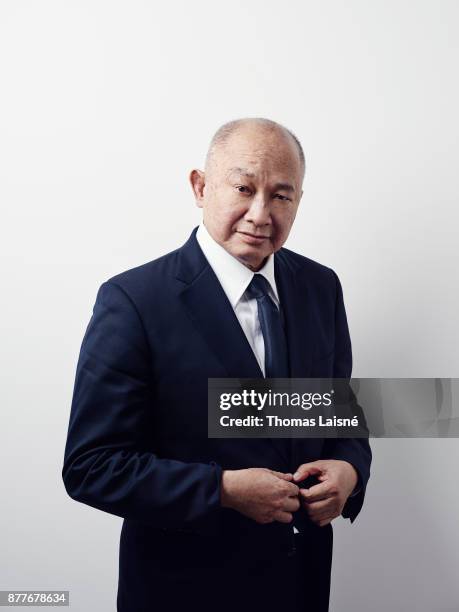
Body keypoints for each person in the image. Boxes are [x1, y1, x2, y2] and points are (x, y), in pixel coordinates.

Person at [62, 117, 371, 612]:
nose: (260, 214)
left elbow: (338, 413)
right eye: (244, 188)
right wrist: (222, 490)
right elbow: (91, 466)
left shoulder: (321, 287)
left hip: (301, 585)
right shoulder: (133, 301)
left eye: (281, 196)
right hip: (183, 590)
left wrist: (350, 470)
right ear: (201, 187)